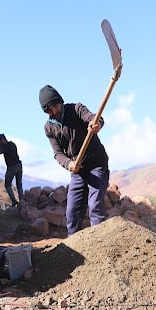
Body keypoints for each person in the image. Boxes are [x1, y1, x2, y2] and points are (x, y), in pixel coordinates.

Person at [39, 84, 109, 235]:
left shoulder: (76, 109)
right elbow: (58, 153)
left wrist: (96, 124)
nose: (53, 111)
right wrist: (68, 164)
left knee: (95, 206)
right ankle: (73, 248)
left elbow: (95, 118)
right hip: (77, 170)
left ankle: (101, 244)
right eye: (48, 110)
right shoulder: (49, 127)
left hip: (96, 164)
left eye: (55, 106)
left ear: (60, 101)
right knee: (72, 212)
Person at [0, 133, 23, 207]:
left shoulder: (5, 146)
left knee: (7, 185)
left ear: (3, 140)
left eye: (0, 141)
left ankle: (14, 201)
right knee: (19, 185)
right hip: (19, 165)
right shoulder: (12, 144)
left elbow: (0, 152)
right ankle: (22, 201)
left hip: (11, 167)